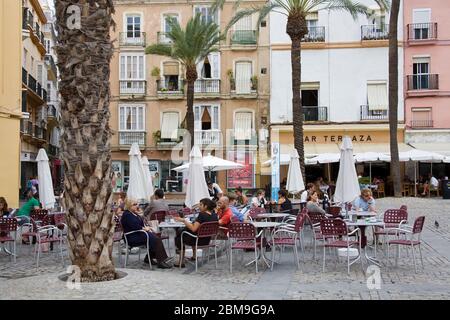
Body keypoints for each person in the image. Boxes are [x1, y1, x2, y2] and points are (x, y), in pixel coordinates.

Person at [120, 199, 172, 269]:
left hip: (138, 234)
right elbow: (134, 226)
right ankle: (161, 261)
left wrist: (144, 222)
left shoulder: (134, 213)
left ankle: (149, 258)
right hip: (131, 237)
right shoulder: (127, 215)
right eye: (134, 204)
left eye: (137, 204)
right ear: (129, 206)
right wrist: (144, 228)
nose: (137, 206)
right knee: (155, 239)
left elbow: (140, 224)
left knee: (154, 238)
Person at [173, 198, 218, 268]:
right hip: (207, 240)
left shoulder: (202, 215)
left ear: (205, 206)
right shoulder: (214, 216)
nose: (199, 206)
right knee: (183, 231)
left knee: (179, 238)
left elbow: (193, 228)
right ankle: (194, 256)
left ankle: (181, 262)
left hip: (197, 240)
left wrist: (184, 221)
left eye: (201, 205)